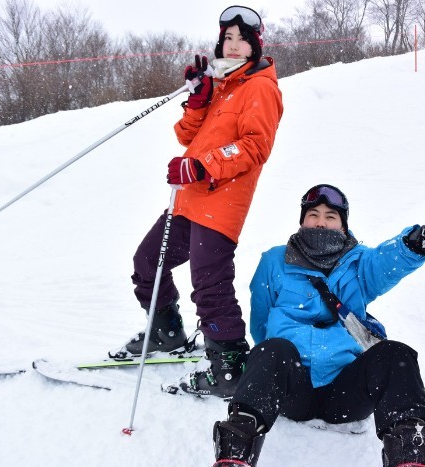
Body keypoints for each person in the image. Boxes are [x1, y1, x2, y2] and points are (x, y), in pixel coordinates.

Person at [212, 184, 425, 467]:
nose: (321, 221)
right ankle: (234, 457)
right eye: (313, 214)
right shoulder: (274, 261)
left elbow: (388, 260)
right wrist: (278, 364)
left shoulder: (358, 263)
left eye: (331, 216)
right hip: (293, 391)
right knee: (271, 349)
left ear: (343, 226)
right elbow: (260, 324)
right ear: (302, 220)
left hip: (346, 391)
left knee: (396, 354)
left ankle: (410, 457)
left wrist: (423, 239)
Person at [109, 5, 283, 399]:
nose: (233, 45)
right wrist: (199, 100)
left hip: (222, 199)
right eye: (227, 38)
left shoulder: (260, 87)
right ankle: (166, 333)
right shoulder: (222, 84)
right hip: (188, 199)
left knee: (209, 283)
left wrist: (202, 168)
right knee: (148, 262)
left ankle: (229, 366)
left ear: (256, 45)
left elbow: (255, 147)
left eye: (242, 38)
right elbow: (186, 136)